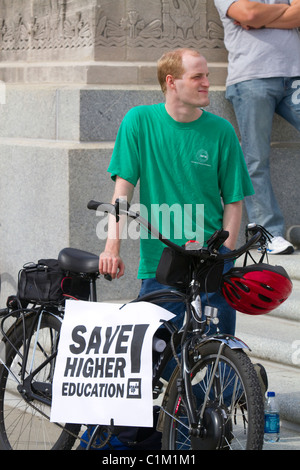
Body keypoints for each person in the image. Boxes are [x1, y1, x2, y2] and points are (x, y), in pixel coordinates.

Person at [99, 48, 254, 338]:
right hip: (161, 263)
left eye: (207, 75)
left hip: (211, 260)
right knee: (161, 363)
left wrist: (225, 254)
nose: (207, 82)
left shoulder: (222, 131)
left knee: (219, 358)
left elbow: (234, 200)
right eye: (197, 77)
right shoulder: (139, 121)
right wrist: (112, 247)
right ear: (171, 82)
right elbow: (122, 192)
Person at [214, 0, 300, 254]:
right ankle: (268, 233)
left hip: (295, 75)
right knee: (255, 159)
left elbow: (256, 15)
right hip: (251, 78)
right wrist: (282, 14)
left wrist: (261, 19)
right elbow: (248, 12)